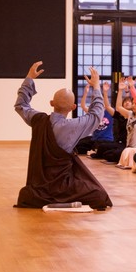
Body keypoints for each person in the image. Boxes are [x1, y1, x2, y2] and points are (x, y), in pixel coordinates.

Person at [14, 61, 112, 209]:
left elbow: (21, 106)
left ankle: (42, 199)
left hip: (39, 187)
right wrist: (96, 86)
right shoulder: (73, 126)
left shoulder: (38, 121)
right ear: (73, 107)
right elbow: (96, 115)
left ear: (51, 103)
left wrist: (29, 79)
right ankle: (63, 199)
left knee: (26, 194)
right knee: (99, 195)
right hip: (64, 184)